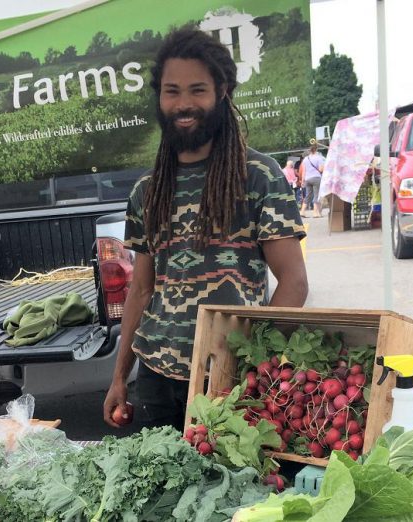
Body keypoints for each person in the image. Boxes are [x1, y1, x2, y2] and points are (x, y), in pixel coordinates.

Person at [103, 29, 308, 430]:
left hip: (229, 380)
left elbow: (294, 283)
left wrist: (256, 367)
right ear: (159, 97)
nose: (183, 104)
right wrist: (118, 377)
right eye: (171, 91)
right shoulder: (148, 189)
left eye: (197, 90)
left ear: (223, 91)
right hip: (157, 381)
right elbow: (141, 290)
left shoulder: (257, 176)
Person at [300, 144, 325, 218]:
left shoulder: (305, 159)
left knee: (308, 195)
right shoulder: (319, 158)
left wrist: (302, 181)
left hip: (307, 179)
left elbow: (304, 171)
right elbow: (321, 169)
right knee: (316, 195)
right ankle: (315, 213)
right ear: (316, 150)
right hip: (316, 178)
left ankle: (302, 211)